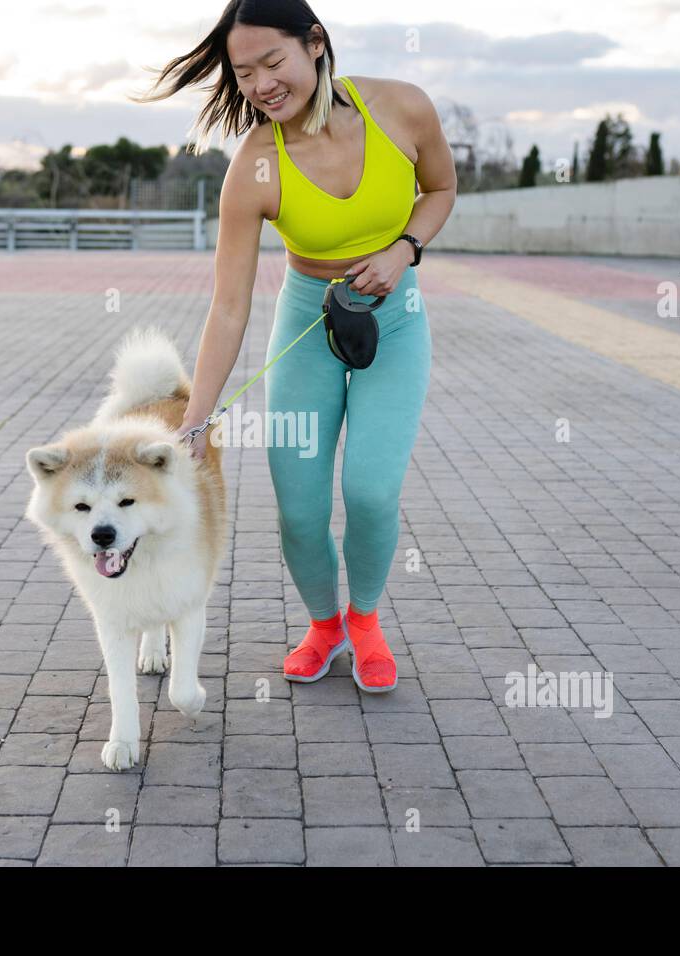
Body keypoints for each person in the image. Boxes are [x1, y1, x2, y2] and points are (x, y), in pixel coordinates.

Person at [131, 0, 456, 692]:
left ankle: (364, 622)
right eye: (243, 74)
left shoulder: (402, 109)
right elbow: (229, 305)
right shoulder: (255, 164)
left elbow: (442, 188)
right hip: (308, 325)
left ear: (314, 43)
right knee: (301, 508)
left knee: (370, 491)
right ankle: (324, 625)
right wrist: (197, 418)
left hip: (394, 319)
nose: (259, 86)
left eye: (271, 63)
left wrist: (405, 249)